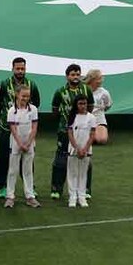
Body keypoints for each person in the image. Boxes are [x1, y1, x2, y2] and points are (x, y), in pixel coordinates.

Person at [0, 57, 40, 199]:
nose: (20, 71)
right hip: (7, 127)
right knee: (4, 157)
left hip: (26, 129)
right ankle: (2, 186)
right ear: (12, 68)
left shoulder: (32, 84)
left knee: (27, 158)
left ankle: (30, 187)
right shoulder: (5, 84)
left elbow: (36, 102)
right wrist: (10, 114)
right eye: (17, 68)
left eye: (22, 68)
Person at [49, 64, 93, 199]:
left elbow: (90, 107)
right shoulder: (60, 91)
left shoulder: (86, 90)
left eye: (78, 74)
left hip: (83, 132)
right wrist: (66, 122)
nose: (75, 77)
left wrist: (82, 122)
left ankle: (85, 189)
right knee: (61, 159)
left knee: (85, 158)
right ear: (67, 76)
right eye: (72, 75)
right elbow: (55, 110)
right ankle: (57, 188)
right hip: (64, 130)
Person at [5, 86, 39, 209]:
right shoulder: (11, 111)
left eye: (27, 96)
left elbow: (34, 127)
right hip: (15, 143)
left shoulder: (33, 109)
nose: (25, 98)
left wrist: (28, 143)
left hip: (29, 144)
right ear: (17, 95)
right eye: (23, 95)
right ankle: (10, 196)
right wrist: (20, 143)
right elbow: (13, 129)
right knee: (13, 170)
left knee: (28, 170)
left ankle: (30, 197)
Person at [66, 96, 96, 208]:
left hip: (86, 150)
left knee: (83, 174)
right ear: (76, 104)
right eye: (80, 103)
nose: (83, 106)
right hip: (73, 150)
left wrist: (85, 149)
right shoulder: (72, 116)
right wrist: (77, 148)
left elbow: (92, 134)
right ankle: (72, 196)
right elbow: (70, 133)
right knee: (72, 173)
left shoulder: (91, 117)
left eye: (84, 103)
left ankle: (82, 196)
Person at [85, 69, 112, 145]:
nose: (101, 80)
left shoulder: (104, 92)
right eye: (99, 78)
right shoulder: (83, 90)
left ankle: (92, 135)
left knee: (102, 140)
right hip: (84, 118)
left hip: (98, 119)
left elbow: (108, 105)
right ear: (92, 80)